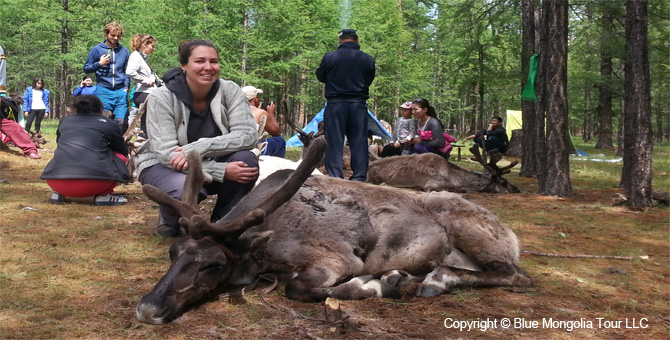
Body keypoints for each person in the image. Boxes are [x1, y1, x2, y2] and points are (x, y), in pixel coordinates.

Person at [135, 39, 259, 238]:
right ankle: (170, 220)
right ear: (184, 65)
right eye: (200, 61)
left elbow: (247, 135)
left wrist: (201, 147)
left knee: (247, 162)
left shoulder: (230, 90)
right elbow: (168, 155)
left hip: (199, 160)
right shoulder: (161, 97)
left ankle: (224, 221)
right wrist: (220, 170)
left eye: (214, 61)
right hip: (161, 164)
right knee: (185, 187)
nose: (208, 67)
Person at [40, 95, 131, 205]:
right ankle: (104, 196)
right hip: (95, 183)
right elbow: (121, 150)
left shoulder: (65, 121)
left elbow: (59, 143)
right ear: (101, 110)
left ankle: (57, 193)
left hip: (56, 181)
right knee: (119, 157)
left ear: (76, 109)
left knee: (64, 152)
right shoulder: (109, 124)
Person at [315, 28, 375, 182]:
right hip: (358, 105)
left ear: (340, 40)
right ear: (357, 40)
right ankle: (359, 177)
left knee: (334, 142)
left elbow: (321, 76)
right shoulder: (368, 59)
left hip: (336, 104)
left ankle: (336, 177)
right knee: (359, 142)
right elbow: (369, 79)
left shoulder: (329, 57)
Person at [83, 22, 131, 133]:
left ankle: (119, 147)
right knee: (103, 121)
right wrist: (99, 64)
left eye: (118, 36)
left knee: (122, 121)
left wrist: (126, 88)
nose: (115, 38)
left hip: (120, 90)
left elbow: (127, 72)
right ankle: (104, 146)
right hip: (103, 89)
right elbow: (86, 68)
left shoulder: (124, 51)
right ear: (106, 33)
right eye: (113, 35)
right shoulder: (96, 50)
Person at [126, 33, 159, 137]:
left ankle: (145, 137)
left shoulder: (142, 57)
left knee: (148, 120)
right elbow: (130, 72)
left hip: (148, 92)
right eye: (152, 46)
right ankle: (145, 137)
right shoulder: (136, 56)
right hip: (143, 93)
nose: (154, 49)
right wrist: (146, 80)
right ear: (144, 44)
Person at [241, 85, 286, 157]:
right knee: (280, 141)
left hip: (238, 146)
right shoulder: (260, 113)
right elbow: (276, 132)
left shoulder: (234, 110)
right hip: (253, 148)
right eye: (258, 96)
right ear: (255, 98)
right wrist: (271, 113)